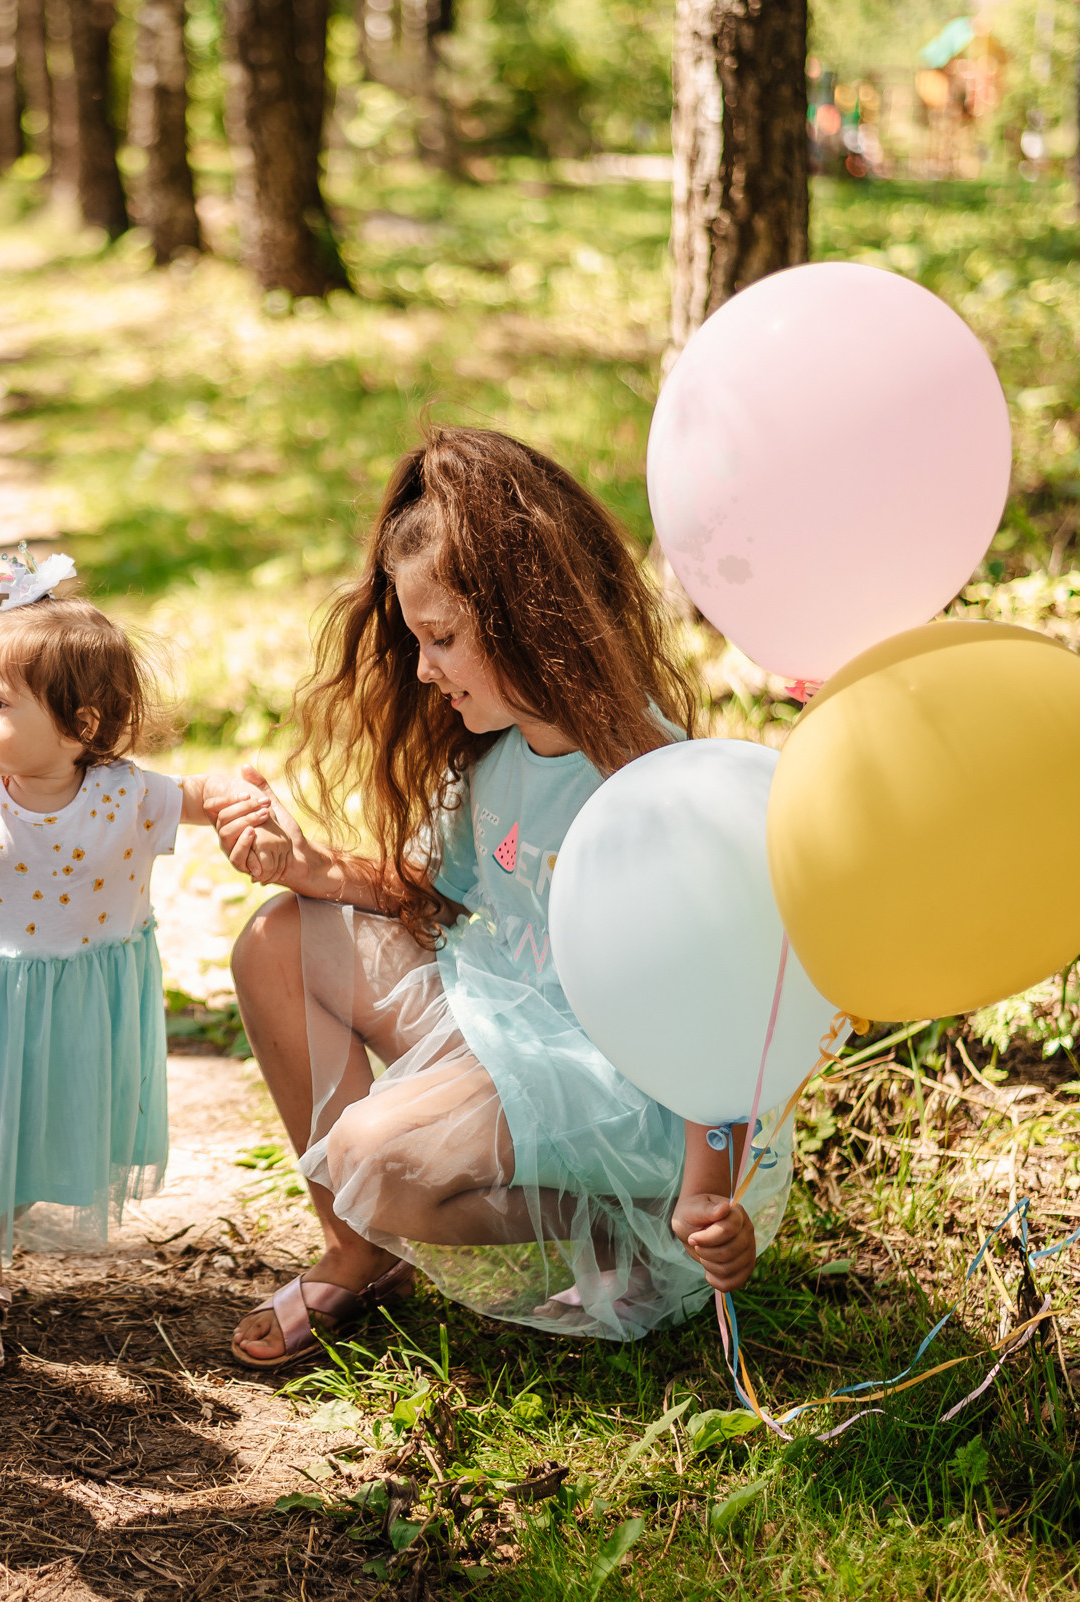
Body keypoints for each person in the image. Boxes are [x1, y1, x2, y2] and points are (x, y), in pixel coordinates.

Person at [215, 427, 787, 1364]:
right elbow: (428, 892)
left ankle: (625, 1228)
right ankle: (357, 1251)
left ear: (528, 617)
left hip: (620, 1087)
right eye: (416, 641)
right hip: (512, 1022)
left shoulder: (643, 783)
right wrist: (309, 868)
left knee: (375, 1157)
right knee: (277, 938)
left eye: (441, 639)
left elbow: (713, 1006)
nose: (425, 669)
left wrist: (704, 1187)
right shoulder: (501, 751)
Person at [0, 549, 282, 1370]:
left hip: (77, 1012)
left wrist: (237, 797)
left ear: (81, 728)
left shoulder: (128, 794)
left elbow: (200, 793)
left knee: (33, 1140)